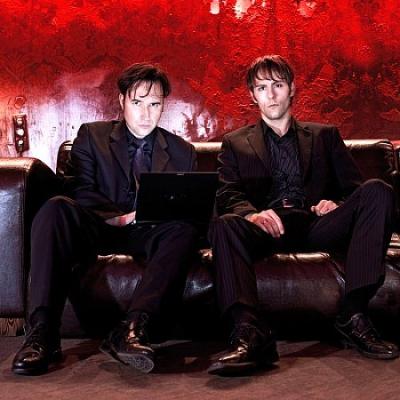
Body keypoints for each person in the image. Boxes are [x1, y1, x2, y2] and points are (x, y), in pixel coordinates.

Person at [207, 54, 399, 375]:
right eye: (262, 88)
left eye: (278, 85)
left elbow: (354, 190)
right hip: (265, 229)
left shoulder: (324, 135)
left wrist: (336, 203)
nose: (271, 95)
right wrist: (252, 215)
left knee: (378, 189)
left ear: (292, 89)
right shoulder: (235, 143)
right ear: (253, 95)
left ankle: (353, 315)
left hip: (316, 225)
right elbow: (228, 194)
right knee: (225, 224)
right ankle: (249, 333)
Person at [12, 63, 198, 375]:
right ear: (122, 100)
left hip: (148, 232)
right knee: (56, 207)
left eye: (155, 104)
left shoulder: (182, 151)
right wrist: (118, 218)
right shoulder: (92, 136)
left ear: (163, 106)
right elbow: (80, 190)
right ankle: (42, 333)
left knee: (184, 229)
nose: (146, 114)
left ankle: (132, 329)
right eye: (138, 103)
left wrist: (156, 216)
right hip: (98, 226)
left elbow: (184, 205)